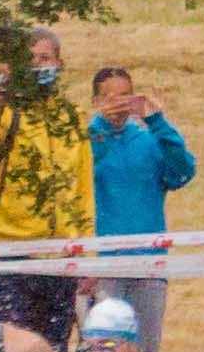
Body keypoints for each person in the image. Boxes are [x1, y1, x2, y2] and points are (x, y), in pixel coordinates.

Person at [0, 29, 98, 344]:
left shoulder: (71, 116)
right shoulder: (3, 114)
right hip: (11, 253)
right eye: (31, 61)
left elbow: (82, 189)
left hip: (60, 256)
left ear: (59, 63)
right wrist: (3, 95)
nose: (39, 66)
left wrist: (89, 256)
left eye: (45, 58)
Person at [85, 65, 198, 240]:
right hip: (99, 254)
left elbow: (181, 174)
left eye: (124, 96)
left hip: (149, 253)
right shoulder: (83, 142)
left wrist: (158, 123)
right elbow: (86, 166)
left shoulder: (149, 140)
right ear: (95, 102)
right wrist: (102, 127)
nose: (118, 104)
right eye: (109, 98)